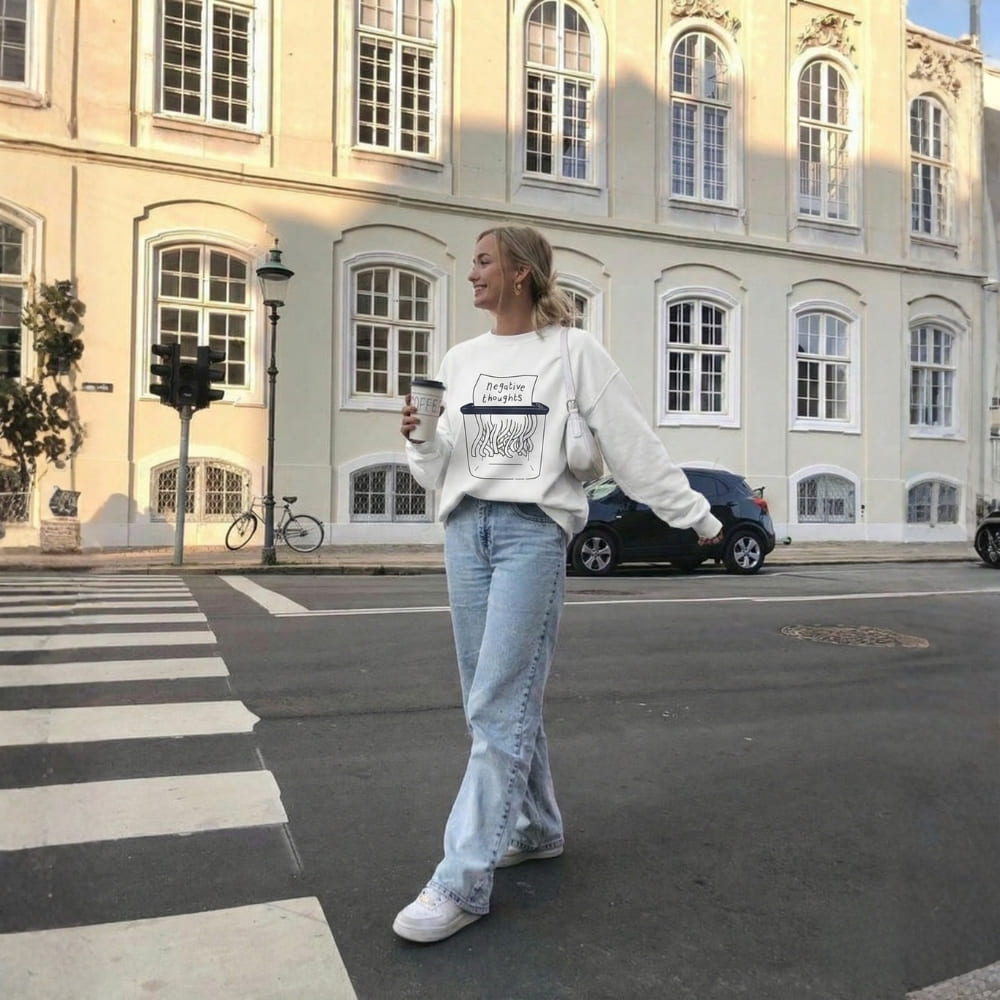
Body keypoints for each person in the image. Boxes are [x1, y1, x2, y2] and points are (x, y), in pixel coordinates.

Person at [393, 225, 723, 943]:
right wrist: (421, 437)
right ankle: (537, 828)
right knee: (498, 700)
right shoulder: (461, 357)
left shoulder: (574, 353)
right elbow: (437, 468)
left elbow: (635, 446)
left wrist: (698, 519)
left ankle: (462, 878)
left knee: (497, 704)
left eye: (483, 261)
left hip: (531, 535)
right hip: (465, 531)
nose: (471, 272)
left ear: (519, 273)